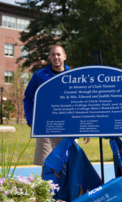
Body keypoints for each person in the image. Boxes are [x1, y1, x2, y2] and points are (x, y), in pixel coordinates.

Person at [24, 45, 90, 175]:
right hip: (47, 129)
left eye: (59, 54)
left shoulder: (73, 75)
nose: (56, 57)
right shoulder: (39, 75)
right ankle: (48, 195)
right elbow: (28, 98)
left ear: (64, 56)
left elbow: (81, 100)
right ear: (49, 57)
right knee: (48, 165)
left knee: (70, 165)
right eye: (53, 54)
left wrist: (85, 127)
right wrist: (31, 121)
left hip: (69, 128)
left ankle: (69, 195)